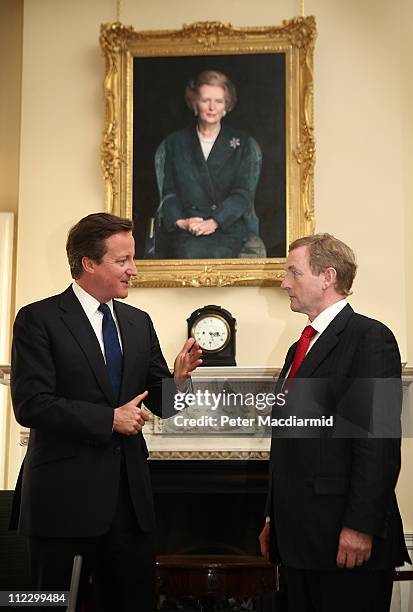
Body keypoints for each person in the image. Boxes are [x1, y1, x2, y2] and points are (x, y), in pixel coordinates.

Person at [10, 212, 202, 611]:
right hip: (62, 505)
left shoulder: (137, 322)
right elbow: (31, 404)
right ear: (89, 263)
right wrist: (109, 419)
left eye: (133, 259)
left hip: (130, 509)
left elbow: (158, 402)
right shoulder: (38, 319)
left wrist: (179, 381)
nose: (133, 270)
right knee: (51, 605)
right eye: (123, 260)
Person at [259, 233, 410, 612]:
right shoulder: (300, 347)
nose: (284, 283)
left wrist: (361, 526)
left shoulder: (369, 338)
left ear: (327, 276)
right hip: (298, 539)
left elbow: (377, 442)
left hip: (345, 539)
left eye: (293, 272)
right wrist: (273, 516)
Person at [154, 69, 263, 259]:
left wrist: (214, 221)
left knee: (217, 257)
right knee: (187, 255)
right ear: (195, 103)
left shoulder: (242, 143)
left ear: (226, 106)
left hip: (227, 226)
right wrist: (182, 222)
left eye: (219, 101)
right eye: (206, 101)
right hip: (188, 228)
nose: (212, 107)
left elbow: (242, 193)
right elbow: (169, 192)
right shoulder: (175, 143)